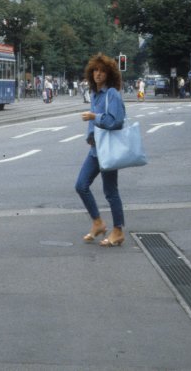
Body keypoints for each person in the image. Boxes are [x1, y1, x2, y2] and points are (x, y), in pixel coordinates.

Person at [75, 53, 127, 248]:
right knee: (81, 185)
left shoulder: (112, 93)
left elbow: (116, 121)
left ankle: (118, 231)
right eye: (95, 70)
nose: (98, 74)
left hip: (108, 150)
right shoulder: (95, 94)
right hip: (96, 149)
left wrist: (93, 117)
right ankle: (98, 223)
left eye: (102, 71)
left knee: (110, 191)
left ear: (109, 74)